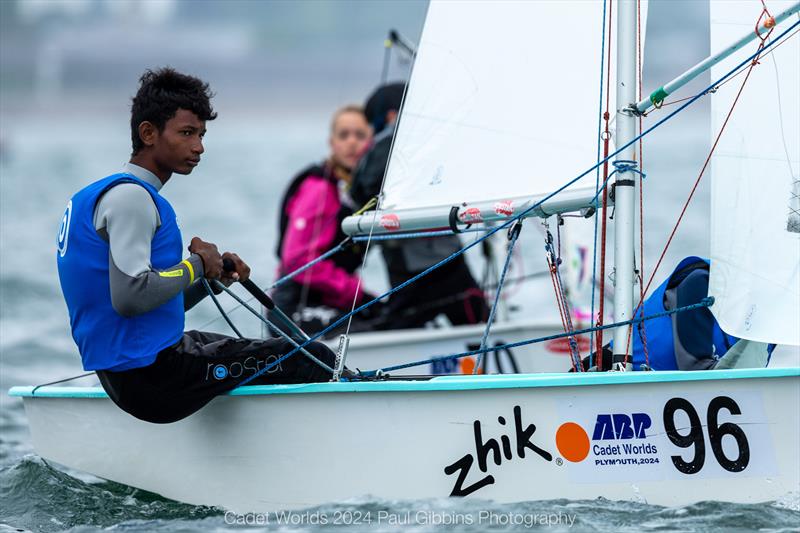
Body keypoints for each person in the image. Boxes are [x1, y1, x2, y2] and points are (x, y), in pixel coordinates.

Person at [56, 68, 336, 424]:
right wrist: (196, 265)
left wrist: (211, 279)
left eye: (202, 134)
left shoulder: (95, 196)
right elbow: (130, 299)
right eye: (187, 133)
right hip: (153, 379)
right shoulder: (132, 200)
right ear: (148, 133)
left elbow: (150, 306)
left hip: (129, 372)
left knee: (274, 351)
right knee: (313, 357)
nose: (199, 146)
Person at [349, 83, 488, 329]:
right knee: (480, 325)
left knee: (402, 329)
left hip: (420, 267)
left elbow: (359, 193)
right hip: (436, 264)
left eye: (374, 125)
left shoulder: (392, 145)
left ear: (390, 116)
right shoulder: (417, 143)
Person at [271, 105, 383, 337]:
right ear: (332, 143)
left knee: (388, 319)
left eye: (360, 135)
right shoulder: (319, 189)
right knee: (376, 327)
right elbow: (298, 260)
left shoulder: (357, 192)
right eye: (344, 135)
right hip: (294, 307)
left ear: (372, 143)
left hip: (332, 301)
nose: (352, 142)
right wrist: (356, 292)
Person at [579, 256, 774, 371]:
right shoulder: (701, 282)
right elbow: (696, 369)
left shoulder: (775, 320)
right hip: (603, 376)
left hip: (658, 405)